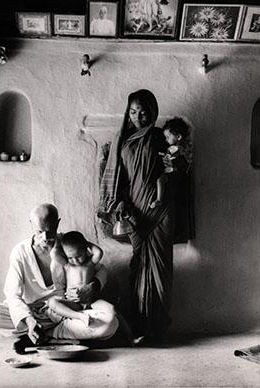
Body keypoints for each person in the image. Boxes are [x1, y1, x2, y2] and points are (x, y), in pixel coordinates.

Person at [0, 203, 119, 354]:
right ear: (31, 225)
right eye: (40, 231)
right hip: (34, 314)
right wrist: (29, 320)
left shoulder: (68, 244)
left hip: (65, 312)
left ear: (57, 223)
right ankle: (51, 335)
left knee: (110, 323)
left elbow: (100, 268)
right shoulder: (20, 252)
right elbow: (12, 294)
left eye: (49, 231)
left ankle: (45, 336)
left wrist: (95, 285)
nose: (45, 238)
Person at [98, 89, 175, 343]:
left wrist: (163, 192)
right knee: (139, 266)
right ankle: (140, 328)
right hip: (136, 213)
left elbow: (173, 169)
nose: (137, 116)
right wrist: (119, 201)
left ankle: (159, 329)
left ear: (152, 112)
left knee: (160, 270)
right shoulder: (123, 141)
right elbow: (118, 179)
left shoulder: (159, 137)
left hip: (159, 211)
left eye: (143, 111)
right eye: (132, 111)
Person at [47, 231, 109, 326]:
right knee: (52, 302)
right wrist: (59, 241)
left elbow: (99, 252)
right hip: (74, 303)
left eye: (79, 256)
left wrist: (85, 243)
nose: (75, 260)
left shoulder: (90, 263)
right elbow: (54, 254)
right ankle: (79, 316)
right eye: (70, 257)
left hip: (92, 301)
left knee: (112, 310)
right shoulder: (67, 265)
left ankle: (131, 338)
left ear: (85, 250)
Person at [150, 117, 193, 209]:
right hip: (180, 173)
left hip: (174, 172)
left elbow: (168, 155)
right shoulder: (185, 146)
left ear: (178, 137)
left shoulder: (176, 148)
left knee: (160, 179)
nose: (166, 140)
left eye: (168, 137)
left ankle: (159, 199)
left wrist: (158, 153)